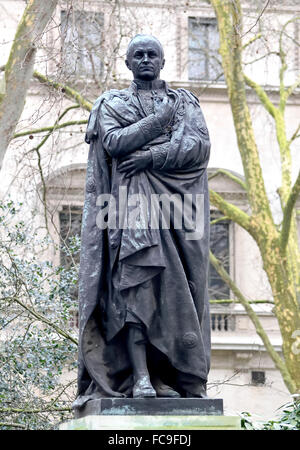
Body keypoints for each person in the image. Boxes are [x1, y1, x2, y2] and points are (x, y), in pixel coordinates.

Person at [73, 34, 211, 409]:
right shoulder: (111, 103)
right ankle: (139, 376)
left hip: (177, 214)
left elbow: (197, 146)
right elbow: (115, 143)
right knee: (134, 289)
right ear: (128, 62)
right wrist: (159, 123)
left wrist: (151, 156)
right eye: (139, 55)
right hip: (129, 209)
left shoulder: (184, 103)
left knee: (174, 295)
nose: (146, 59)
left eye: (153, 54)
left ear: (163, 62)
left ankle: (166, 375)